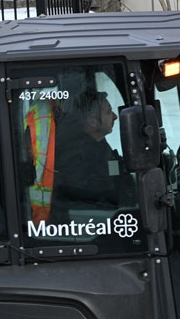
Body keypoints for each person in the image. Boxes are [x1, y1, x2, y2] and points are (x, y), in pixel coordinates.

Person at [49, 89, 126, 223]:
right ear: (92, 122)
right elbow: (96, 196)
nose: (115, 116)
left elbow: (113, 173)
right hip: (91, 224)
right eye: (108, 111)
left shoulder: (100, 145)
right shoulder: (78, 156)